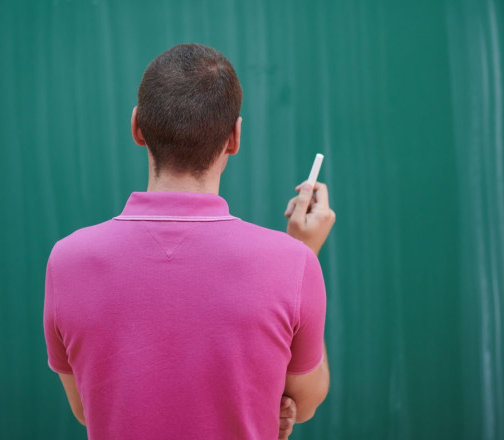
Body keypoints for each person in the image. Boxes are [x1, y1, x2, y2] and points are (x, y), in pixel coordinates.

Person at [43, 43, 335, 439]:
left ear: (136, 128)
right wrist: (305, 252)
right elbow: (304, 402)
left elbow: (86, 408)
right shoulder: (293, 263)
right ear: (234, 137)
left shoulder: (68, 260)